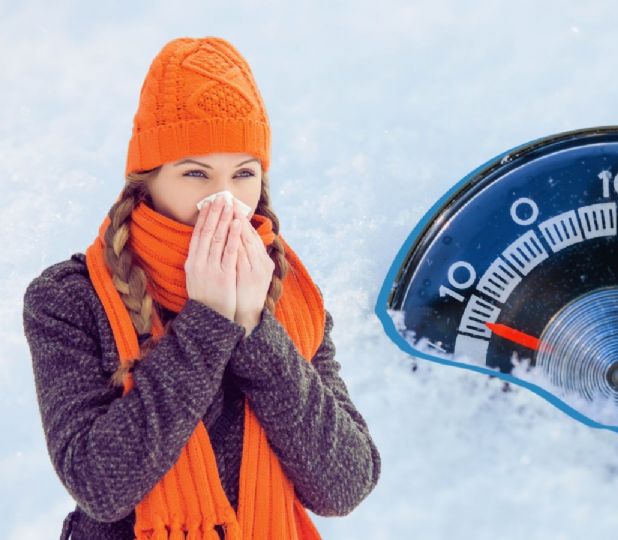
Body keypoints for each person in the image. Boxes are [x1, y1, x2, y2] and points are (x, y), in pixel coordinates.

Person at [22, 36, 380, 540]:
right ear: (146, 181)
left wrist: (255, 328)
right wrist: (209, 321)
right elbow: (99, 485)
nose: (225, 200)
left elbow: (345, 486)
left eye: (243, 174)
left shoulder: (290, 294)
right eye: (195, 173)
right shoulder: (69, 297)